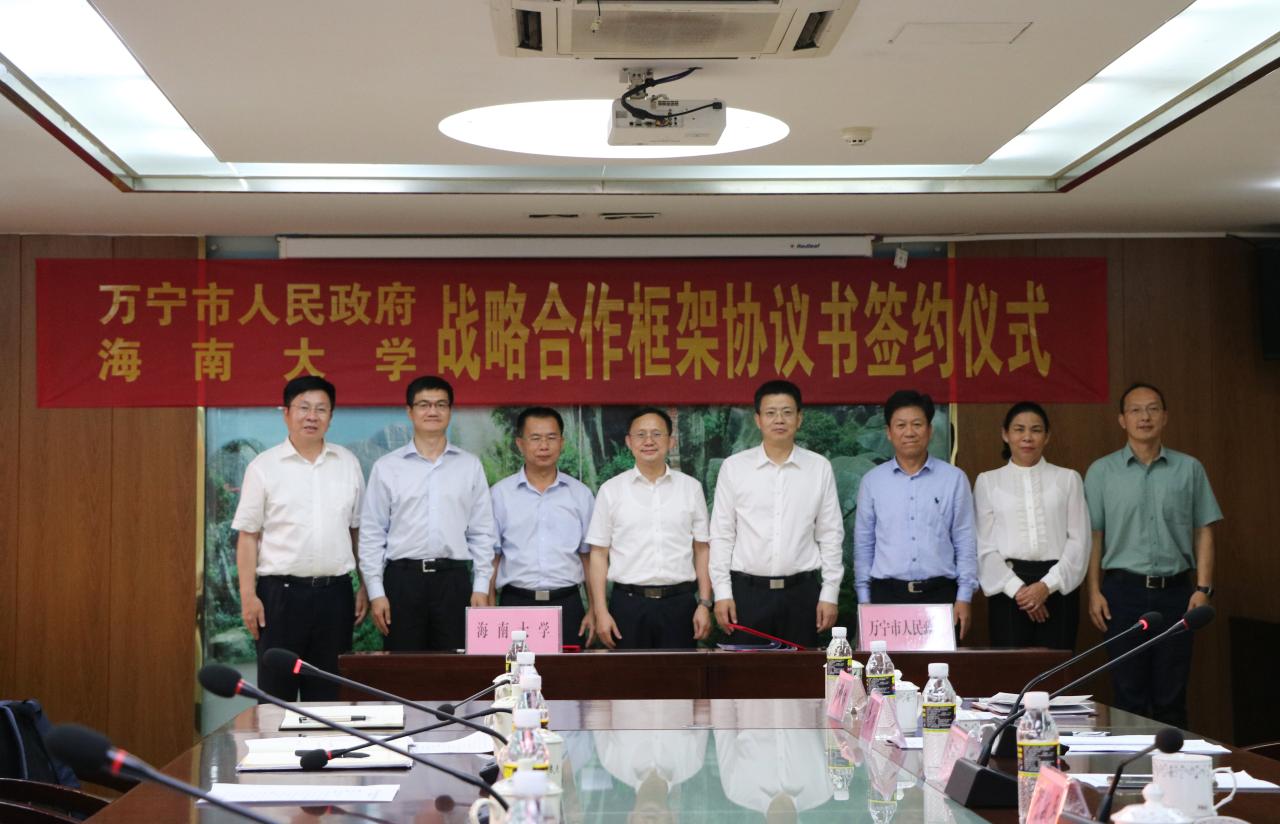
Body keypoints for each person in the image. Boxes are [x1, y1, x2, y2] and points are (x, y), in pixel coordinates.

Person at [1084, 382, 1221, 728]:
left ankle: (1173, 763)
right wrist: (1094, 591)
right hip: (1121, 593)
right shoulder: (1101, 472)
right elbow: (1094, 536)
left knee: (1171, 696)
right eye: (1135, 410)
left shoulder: (1189, 469)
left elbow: (1204, 529)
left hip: (1177, 593)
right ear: (1122, 419)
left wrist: (1203, 589)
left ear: (1165, 416)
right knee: (1128, 695)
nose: (1144, 417)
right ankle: (1131, 764)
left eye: (1152, 409)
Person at [232, 376, 367, 701]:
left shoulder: (347, 463)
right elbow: (248, 536)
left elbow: (358, 531)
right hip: (280, 597)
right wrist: (248, 597)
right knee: (275, 698)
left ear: (331, 417)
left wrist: (364, 585)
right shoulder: (263, 467)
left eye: (321, 409)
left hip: (335, 596)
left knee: (330, 696)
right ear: (286, 413)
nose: (312, 416)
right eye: (304, 408)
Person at [358, 375, 496, 652]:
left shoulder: (469, 466)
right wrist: (376, 592)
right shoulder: (387, 467)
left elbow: (482, 532)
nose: (432, 411)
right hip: (402, 581)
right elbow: (372, 534)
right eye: (424, 405)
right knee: (403, 668)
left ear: (450, 411)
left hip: (453, 581)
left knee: (454, 667)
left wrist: (481, 586)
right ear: (410, 411)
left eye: (440, 404)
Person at [709, 380, 844, 648]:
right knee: (746, 672)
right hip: (747, 595)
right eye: (770, 413)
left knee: (801, 672)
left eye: (787, 412)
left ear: (799, 418)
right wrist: (722, 592)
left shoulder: (819, 468)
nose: (779, 420)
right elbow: (722, 535)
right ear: (758, 419)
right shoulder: (734, 468)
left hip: (802, 594)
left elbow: (830, 535)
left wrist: (830, 593)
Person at [854, 389, 978, 639]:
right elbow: (864, 545)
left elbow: (965, 541)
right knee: (886, 665)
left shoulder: (954, 479)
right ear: (889, 432)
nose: (909, 432)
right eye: (901, 425)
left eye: (917, 424)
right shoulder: (872, 482)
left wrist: (964, 597)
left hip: (941, 595)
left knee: (940, 664)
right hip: (886, 596)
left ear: (929, 430)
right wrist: (865, 601)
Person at [587, 407, 713, 649]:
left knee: (681, 673)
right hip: (628, 605)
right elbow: (599, 554)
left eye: (657, 434)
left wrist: (704, 603)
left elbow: (702, 549)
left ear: (671, 441)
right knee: (629, 673)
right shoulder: (611, 490)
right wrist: (601, 612)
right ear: (628, 441)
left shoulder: (691, 488)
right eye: (641, 434)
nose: (648, 441)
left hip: (680, 605)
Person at [974, 401, 1090, 649]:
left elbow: (1080, 541)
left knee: (1057, 667)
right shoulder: (987, 481)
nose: (1027, 437)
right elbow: (984, 546)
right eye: (1019, 429)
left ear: (1047, 436)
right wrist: (1020, 591)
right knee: (1010, 669)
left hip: (1058, 584)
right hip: (1007, 587)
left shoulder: (1068, 479)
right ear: (1005, 434)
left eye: (1036, 430)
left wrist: (1046, 587)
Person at [490, 406, 595, 648]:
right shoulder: (499, 495)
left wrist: (594, 609)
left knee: (568, 672)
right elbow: (492, 558)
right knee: (516, 672)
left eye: (551, 437)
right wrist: (489, 608)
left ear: (562, 442)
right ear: (520, 444)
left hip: (567, 604)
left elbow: (588, 557)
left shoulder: (580, 495)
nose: (544, 446)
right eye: (535, 438)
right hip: (515, 604)